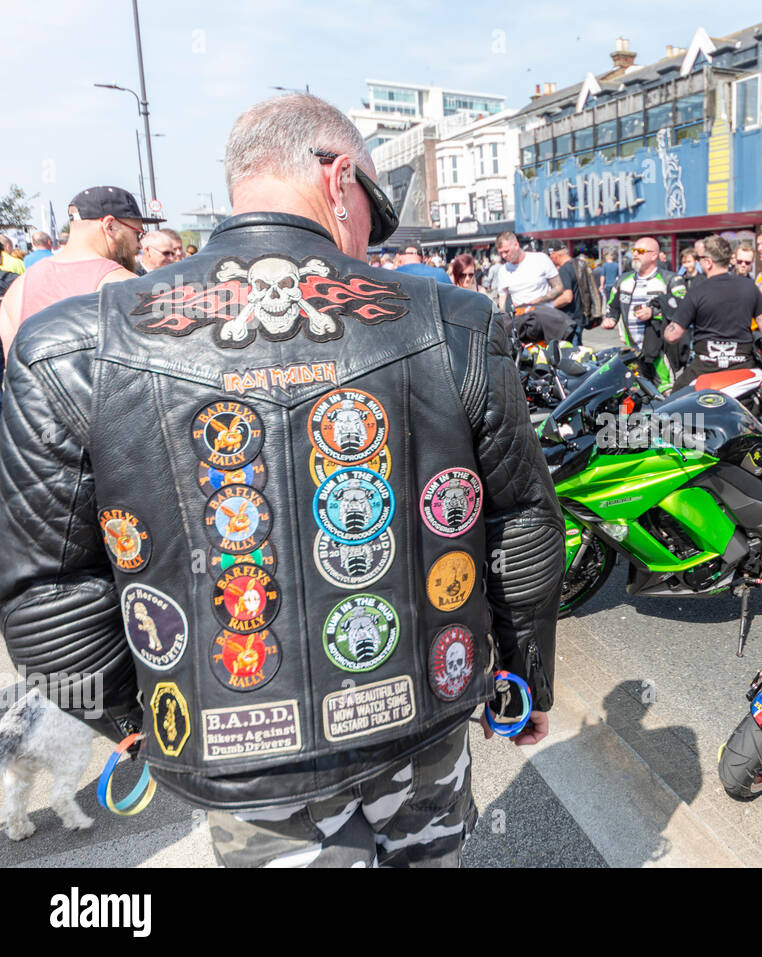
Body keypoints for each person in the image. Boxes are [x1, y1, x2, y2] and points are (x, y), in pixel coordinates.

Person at [0, 93, 564, 868]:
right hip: (421, 721)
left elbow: (46, 591)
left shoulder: (66, 345)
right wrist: (523, 679)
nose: (372, 234)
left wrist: (142, 722)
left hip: (234, 756)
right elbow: (521, 524)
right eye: (374, 205)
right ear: (339, 181)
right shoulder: (453, 320)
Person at [1, 186, 150, 357]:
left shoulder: (19, 287)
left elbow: (12, 373)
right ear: (109, 226)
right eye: (137, 234)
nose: (139, 245)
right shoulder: (122, 283)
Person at [665, 234, 762, 389]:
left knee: (673, 406)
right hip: (743, 370)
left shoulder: (697, 291)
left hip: (705, 368)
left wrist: (667, 320)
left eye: (700, 258)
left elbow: (673, 336)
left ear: (708, 262)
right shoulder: (750, 287)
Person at [601, 235, 686, 390]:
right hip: (632, 350)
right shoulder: (623, 280)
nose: (635, 254)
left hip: (659, 350)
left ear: (654, 255)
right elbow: (612, 306)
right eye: (634, 250)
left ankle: (665, 415)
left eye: (640, 251)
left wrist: (653, 312)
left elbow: (682, 308)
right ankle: (630, 416)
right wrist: (610, 318)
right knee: (631, 392)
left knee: (665, 391)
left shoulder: (671, 279)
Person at [495, 231, 562, 315]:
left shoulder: (540, 259)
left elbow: (558, 287)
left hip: (544, 316)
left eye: (506, 251)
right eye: (501, 253)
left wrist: (538, 300)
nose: (504, 256)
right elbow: (502, 298)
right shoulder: (503, 271)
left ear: (516, 245)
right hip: (521, 319)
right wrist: (505, 316)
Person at [545, 240, 582, 343]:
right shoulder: (575, 265)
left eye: (550, 256)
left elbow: (567, 297)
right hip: (578, 317)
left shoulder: (564, 270)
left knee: (570, 354)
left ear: (554, 254)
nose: (550, 259)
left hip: (570, 320)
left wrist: (548, 306)